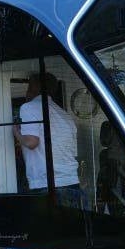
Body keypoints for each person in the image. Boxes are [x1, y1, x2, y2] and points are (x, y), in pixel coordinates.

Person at [13, 72, 81, 206]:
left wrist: (16, 132)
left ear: (34, 88)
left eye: (28, 86)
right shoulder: (65, 115)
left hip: (46, 183)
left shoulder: (28, 107)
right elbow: (72, 151)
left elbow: (31, 142)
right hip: (72, 181)